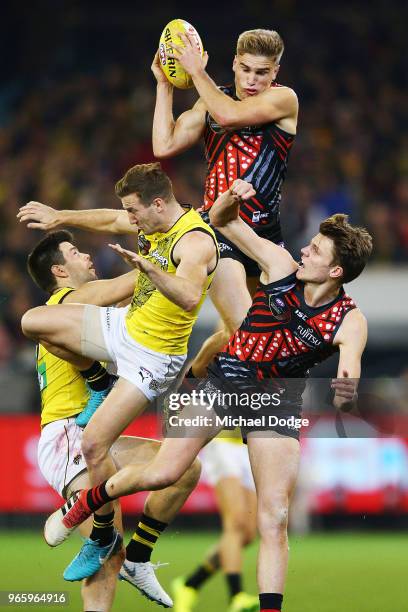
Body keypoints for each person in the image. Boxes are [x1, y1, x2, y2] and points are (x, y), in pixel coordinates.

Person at [29, 179, 372, 612]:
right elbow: (225, 223)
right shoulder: (282, 266)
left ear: (336, 272)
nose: (305, 250)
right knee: (163, 473)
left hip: (275, 402)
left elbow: (350, 366)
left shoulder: (349, 318)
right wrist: (229, 202)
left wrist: (345, 391)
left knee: (274, 517)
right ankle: (82, 509)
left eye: (317, 251)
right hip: (225, 382)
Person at [20, 162, 218, 584]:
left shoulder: (192, 241)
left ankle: (123, 545)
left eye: (133, 210)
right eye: (75, 253)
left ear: (158, 204)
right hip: (114, 349)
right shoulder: (75, 295)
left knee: (177, 469)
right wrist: (61, 216)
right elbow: (113, 225)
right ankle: (99, 385)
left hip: (150, 356)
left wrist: (148, 268)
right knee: (31, 321)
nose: (128, 220)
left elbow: (186, 295)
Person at [151, 27, 298, 376]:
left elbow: (230, 115)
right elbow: (164, 146)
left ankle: (198, 371)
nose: (251, 79)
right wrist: (164, 86)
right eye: (245, 68)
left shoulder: (284, 99)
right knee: (249, 332)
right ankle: (257, 424)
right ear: (234, 62)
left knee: (265, 330)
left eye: (262, 72)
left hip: (264, 236)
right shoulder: (209, 100)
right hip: (219, 230)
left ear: (275, 72)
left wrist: (197, 72)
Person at [172, 431, 258, 612]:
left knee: (248, 534)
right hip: (222, 442)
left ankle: (191, 584)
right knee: (235, 523)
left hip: (248, 447)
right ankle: (237, 596)